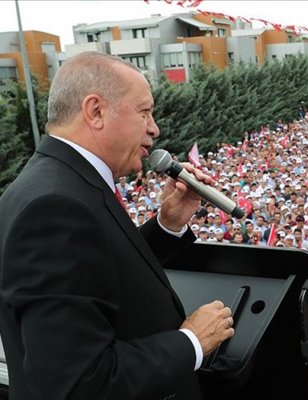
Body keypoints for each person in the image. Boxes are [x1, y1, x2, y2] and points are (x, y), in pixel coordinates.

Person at [0, 52, 235, 399]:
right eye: (144, 112)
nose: (154, 127)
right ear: (96, 111)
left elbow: (98, 274)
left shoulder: (55, 184)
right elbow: (76, 382)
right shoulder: (56, 208)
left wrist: (167, 225)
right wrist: (191, 343)